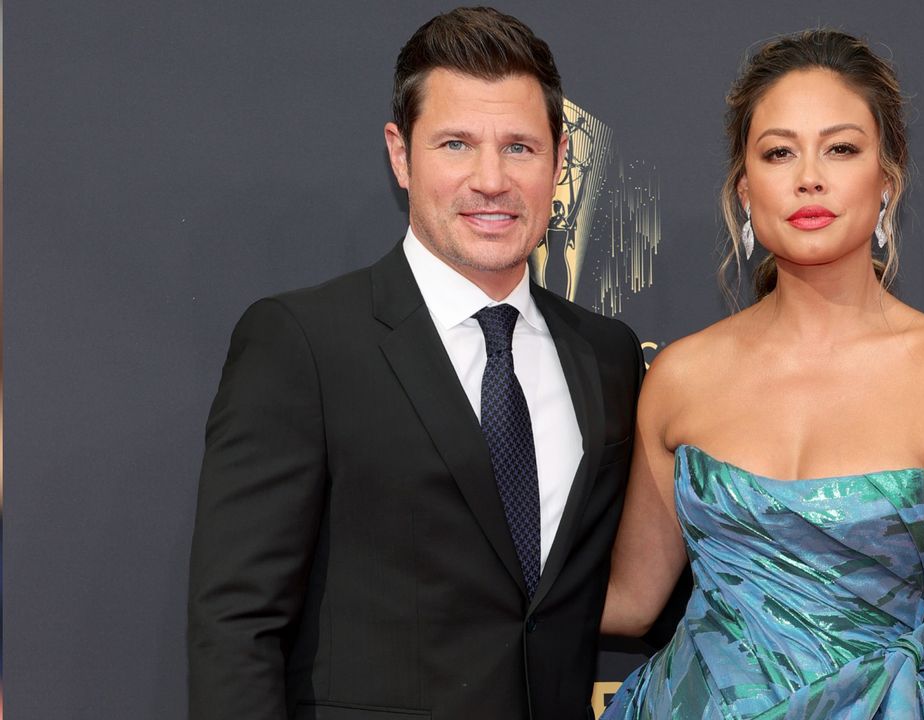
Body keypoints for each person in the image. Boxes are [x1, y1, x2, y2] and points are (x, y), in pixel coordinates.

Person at [187, 8, 643, 720]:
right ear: (401, 155)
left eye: (519, 148)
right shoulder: (304, 343)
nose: (490, 180)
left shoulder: (607, 354)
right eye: (456, 144)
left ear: (559, 160)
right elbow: (237, 623)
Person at [600, 29, 924, 719]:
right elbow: (629, 599)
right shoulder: (682, 375)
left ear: (886, 181)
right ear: (745, 190)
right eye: (779, 152)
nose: (809, 176)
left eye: (841, 148)